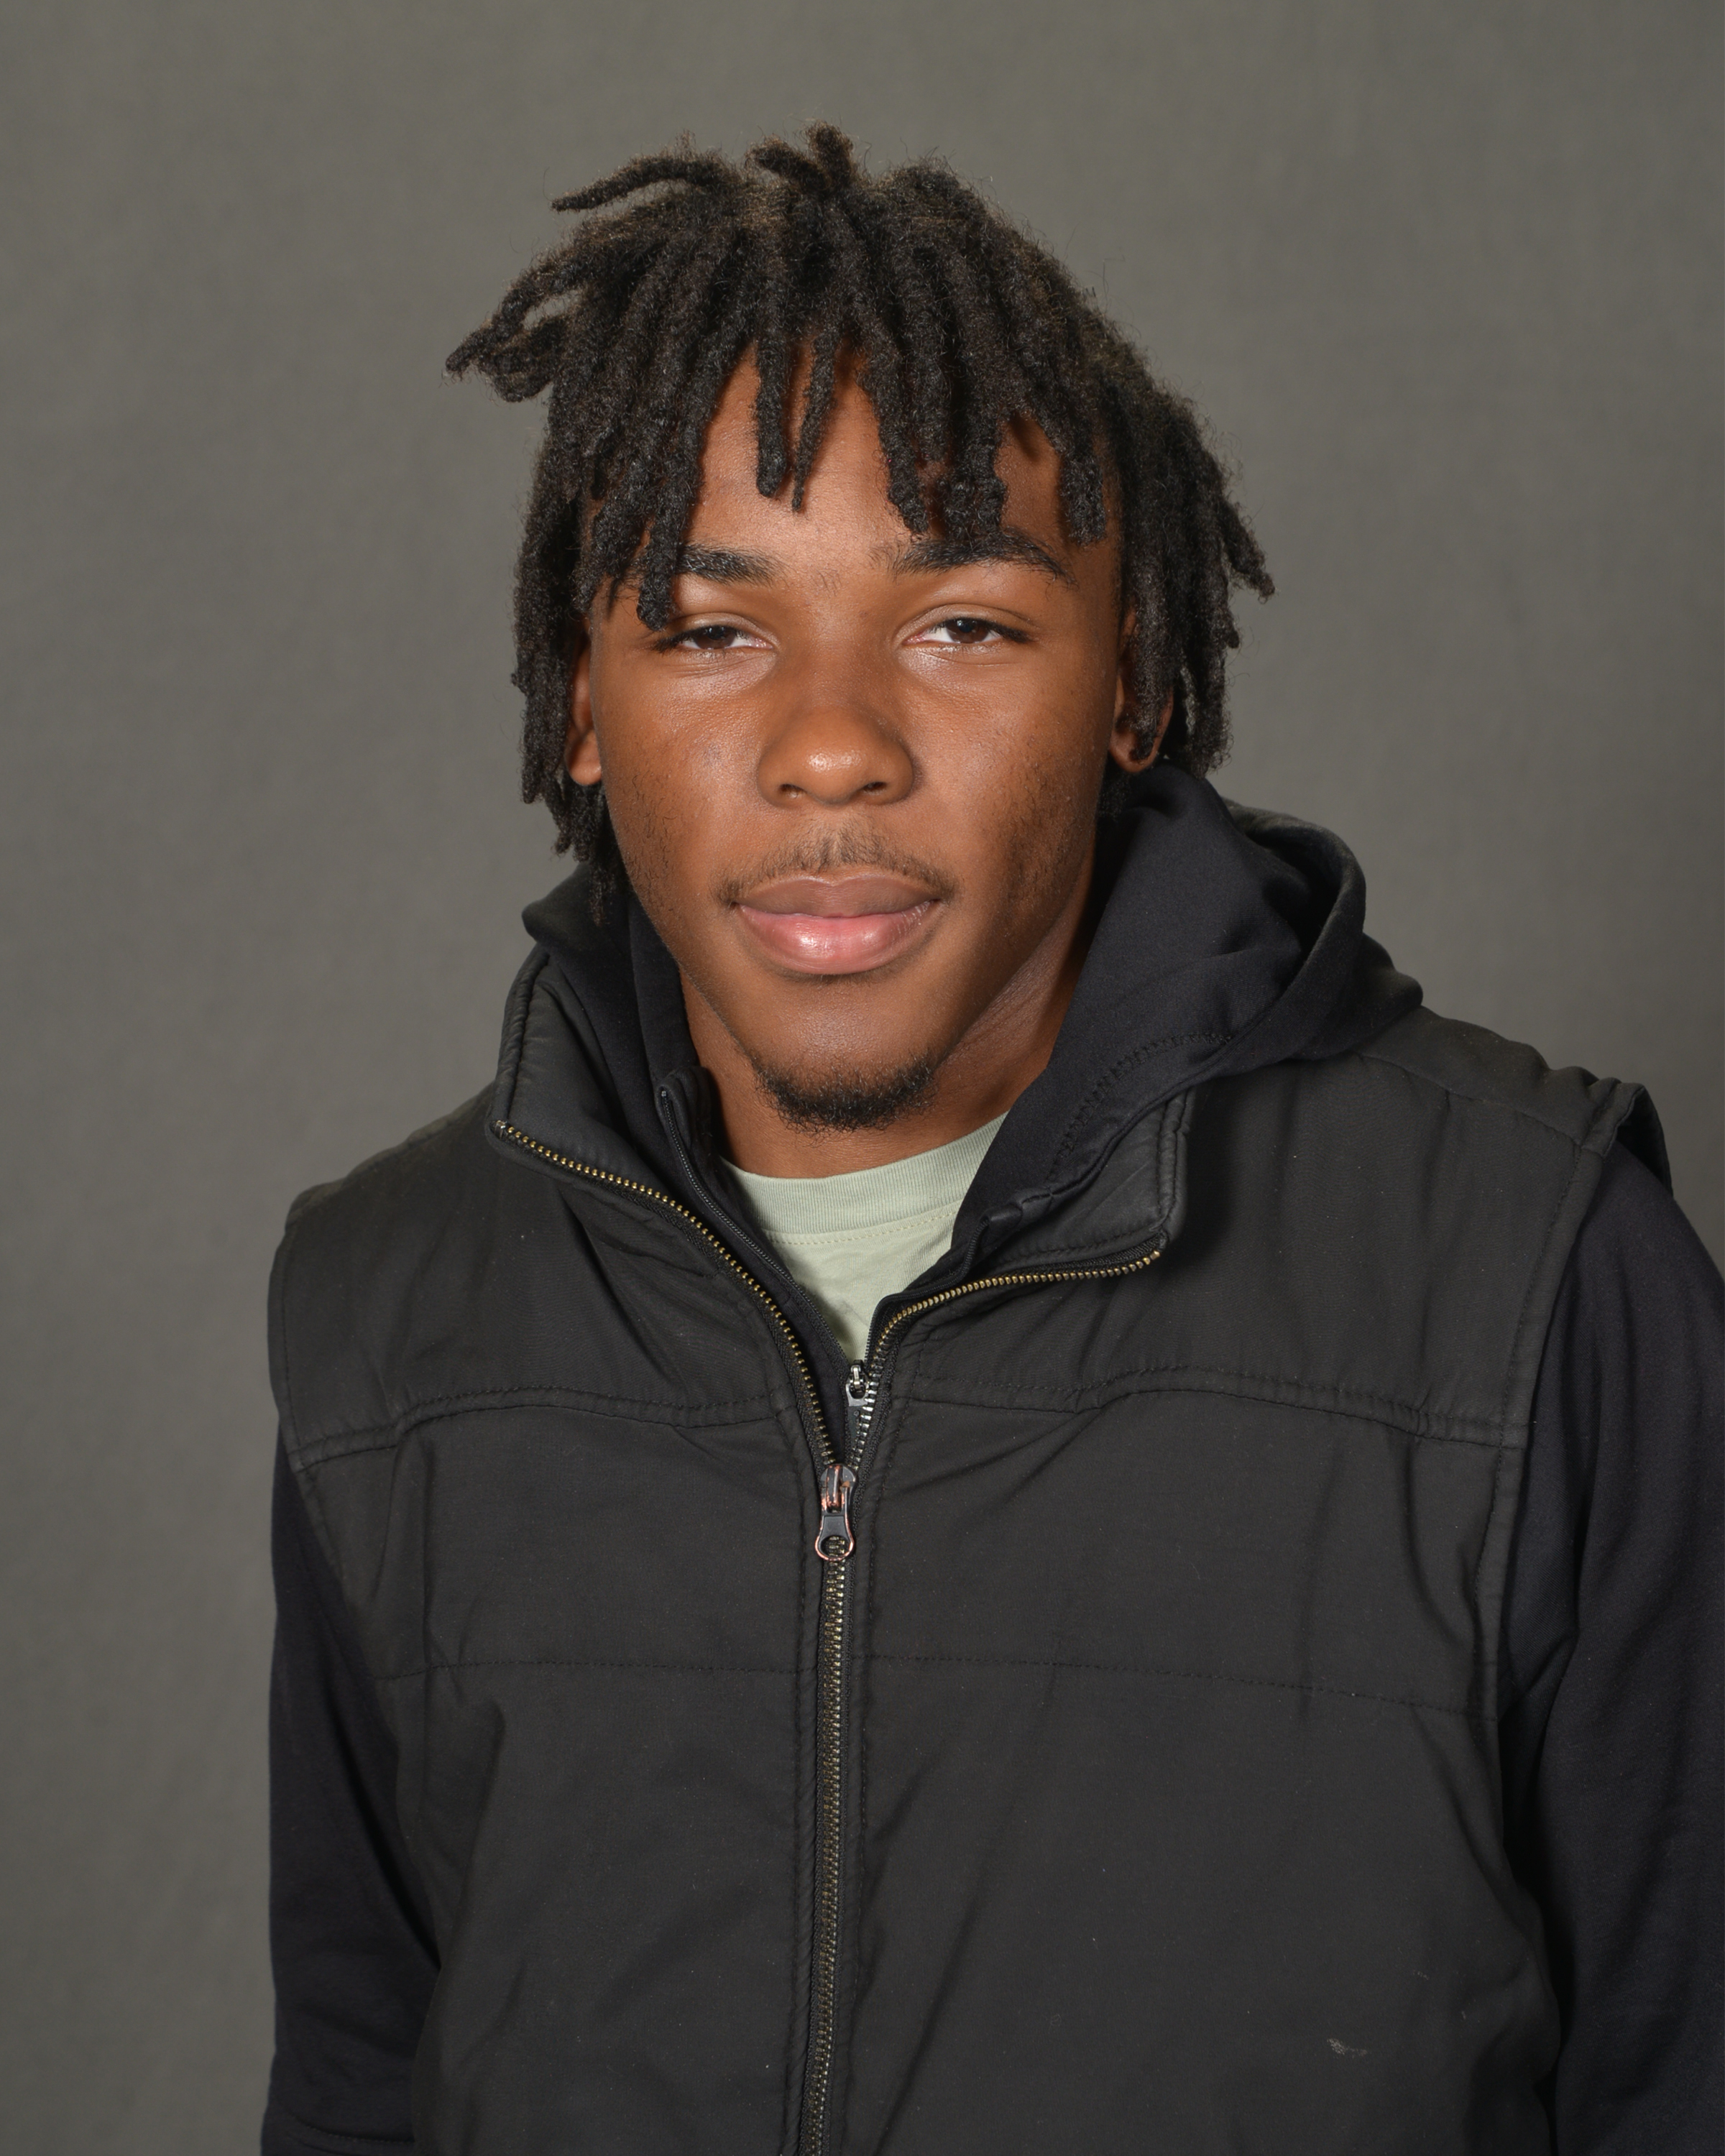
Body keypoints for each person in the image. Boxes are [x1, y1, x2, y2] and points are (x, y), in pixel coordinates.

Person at [262, 126, 1721, 2155]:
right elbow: (363, 2081)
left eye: (961, 622)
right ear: (580, 701)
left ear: (1134, 682)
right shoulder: (390, 1314)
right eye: (709, 627)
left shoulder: (1538, 1281)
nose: (831, 745)